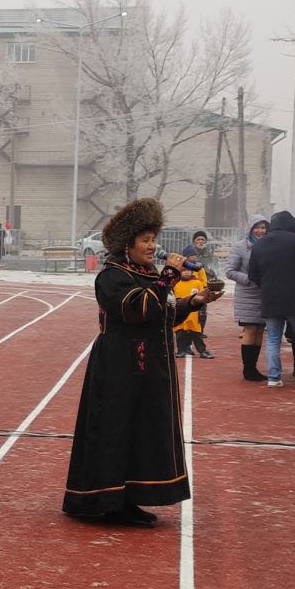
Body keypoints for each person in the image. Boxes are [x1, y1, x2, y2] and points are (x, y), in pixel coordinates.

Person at [63, 198, 197, 527]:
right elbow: (134, 309)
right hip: (119, 367)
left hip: (146, 368)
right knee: (116, 429)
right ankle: (109, 499)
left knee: (141, 431)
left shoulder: (146, 275)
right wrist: (168, 278)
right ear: (128, 245)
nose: (153, 246)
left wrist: (193, 301)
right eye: (145, 240)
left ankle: (131, 496)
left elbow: (160, 311)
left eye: (154, 239)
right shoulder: (111, 277)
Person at [246, 211, 295, 387]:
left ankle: (274, 377)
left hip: (270, 297)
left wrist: (266, 285)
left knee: (273, 338)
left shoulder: (260, 244)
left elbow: (252, 273)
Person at [226, 213, 272, 381]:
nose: (260, 231)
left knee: (260, 330)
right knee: (251, 329)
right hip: (247, 294)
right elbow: (230, 271)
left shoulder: (270, 246)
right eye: (257, 227)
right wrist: (248, 278)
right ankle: (248, 369)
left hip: (264, 293)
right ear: (250, 229)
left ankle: (254, 368)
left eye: (263, 227)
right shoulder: (240, 247)